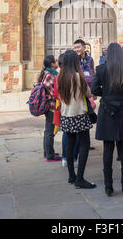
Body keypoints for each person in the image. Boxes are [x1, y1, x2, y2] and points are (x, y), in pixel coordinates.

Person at [91, 43, 123, 196]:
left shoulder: (101, 69)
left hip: (107, 110)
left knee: (108, 149)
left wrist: (105, 93)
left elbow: (93, 89)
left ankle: (108, 187)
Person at [57, 50, 96, 189]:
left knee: (70, 143)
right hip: (79, 114)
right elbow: (88, 93)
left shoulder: (60, 77)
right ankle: (80, 178)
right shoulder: (78, 77)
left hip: (66, 115)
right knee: (84, 144)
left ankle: (71, 176)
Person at [74, 39, 95, 150]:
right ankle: (80, 144)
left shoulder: (90, 59)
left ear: (84, 47)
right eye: (75, 47)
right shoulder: (74, 61)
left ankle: (86, 143)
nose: (77, 49)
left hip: (89, 91)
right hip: (79, 92)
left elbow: (92, 73)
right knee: (80, 118)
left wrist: (93, 91)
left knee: (87, 118)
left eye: (78, 47)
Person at [41, 55, 62, 162]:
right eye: (56, 61)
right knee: (50, 131)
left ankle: (48, 152)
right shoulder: (49, 75)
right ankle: (49, 155)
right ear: (52, 64)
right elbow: (53, 92)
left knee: (48, 131)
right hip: (51, 107)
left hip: (51, 106)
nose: (57, 62)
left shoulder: (49, 73)